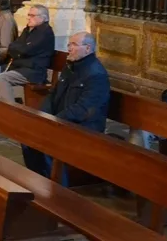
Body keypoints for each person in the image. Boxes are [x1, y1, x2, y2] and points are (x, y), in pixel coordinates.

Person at [21, 32, 109, 186]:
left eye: (74, 45)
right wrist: (44, 116)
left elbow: (83, 109)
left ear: (87, 48)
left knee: (49, 144)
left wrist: (54, 121)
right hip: (62, 122)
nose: (69, 48)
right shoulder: (70, 67)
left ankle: (57, 190)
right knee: (28, 137)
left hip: (84, 129)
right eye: (69, 44)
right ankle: (39, 180)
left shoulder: (96, 75)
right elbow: (53, 94)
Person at [0, 4, 55, 101]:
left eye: (32, 15)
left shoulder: (45, 32)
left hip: (33, 71)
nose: (28, 18)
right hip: (18, 67)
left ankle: (9, 110)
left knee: (3, 78)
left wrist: (18, 51)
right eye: (29, 15)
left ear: (43, 18)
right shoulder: (27, 30)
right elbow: (12, 46)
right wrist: (18, 51)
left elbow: (26, 50)